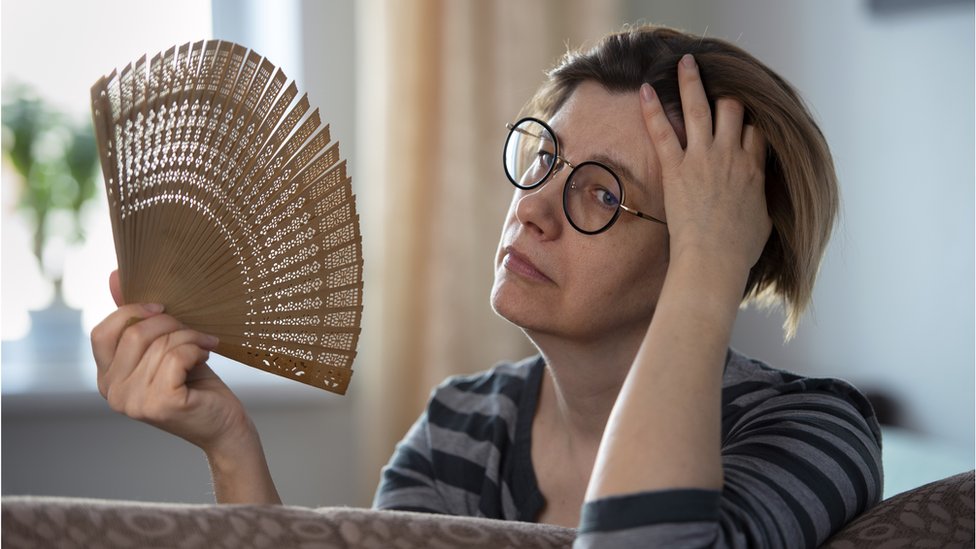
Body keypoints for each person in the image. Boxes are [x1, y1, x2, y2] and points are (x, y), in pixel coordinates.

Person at [90, 24, 882, 548]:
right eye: (543, 158)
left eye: (602, 193)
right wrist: (229, 443)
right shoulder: (462, 429)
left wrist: (711, 275)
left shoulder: (814, 429)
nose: (532, 208)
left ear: (711, 245)